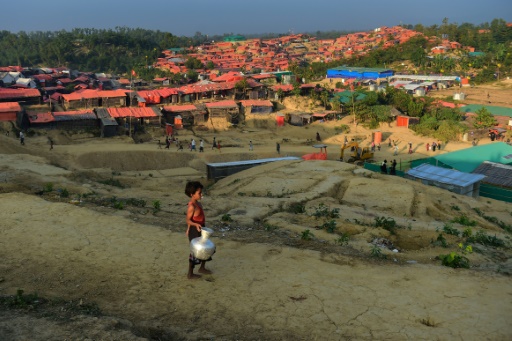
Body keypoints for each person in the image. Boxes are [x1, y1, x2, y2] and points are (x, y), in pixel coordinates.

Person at [185, 181, 212, 279]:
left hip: (201, 228)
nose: (201, 194)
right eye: (199, 193)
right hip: (194, 230)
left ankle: (202, 268)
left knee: (205, 248)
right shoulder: (191, 206)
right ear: (192, 194)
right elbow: (188, 220)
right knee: (195, 251)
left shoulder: (198, 204)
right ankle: (190, 274)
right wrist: (192, 226)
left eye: (201, 192)